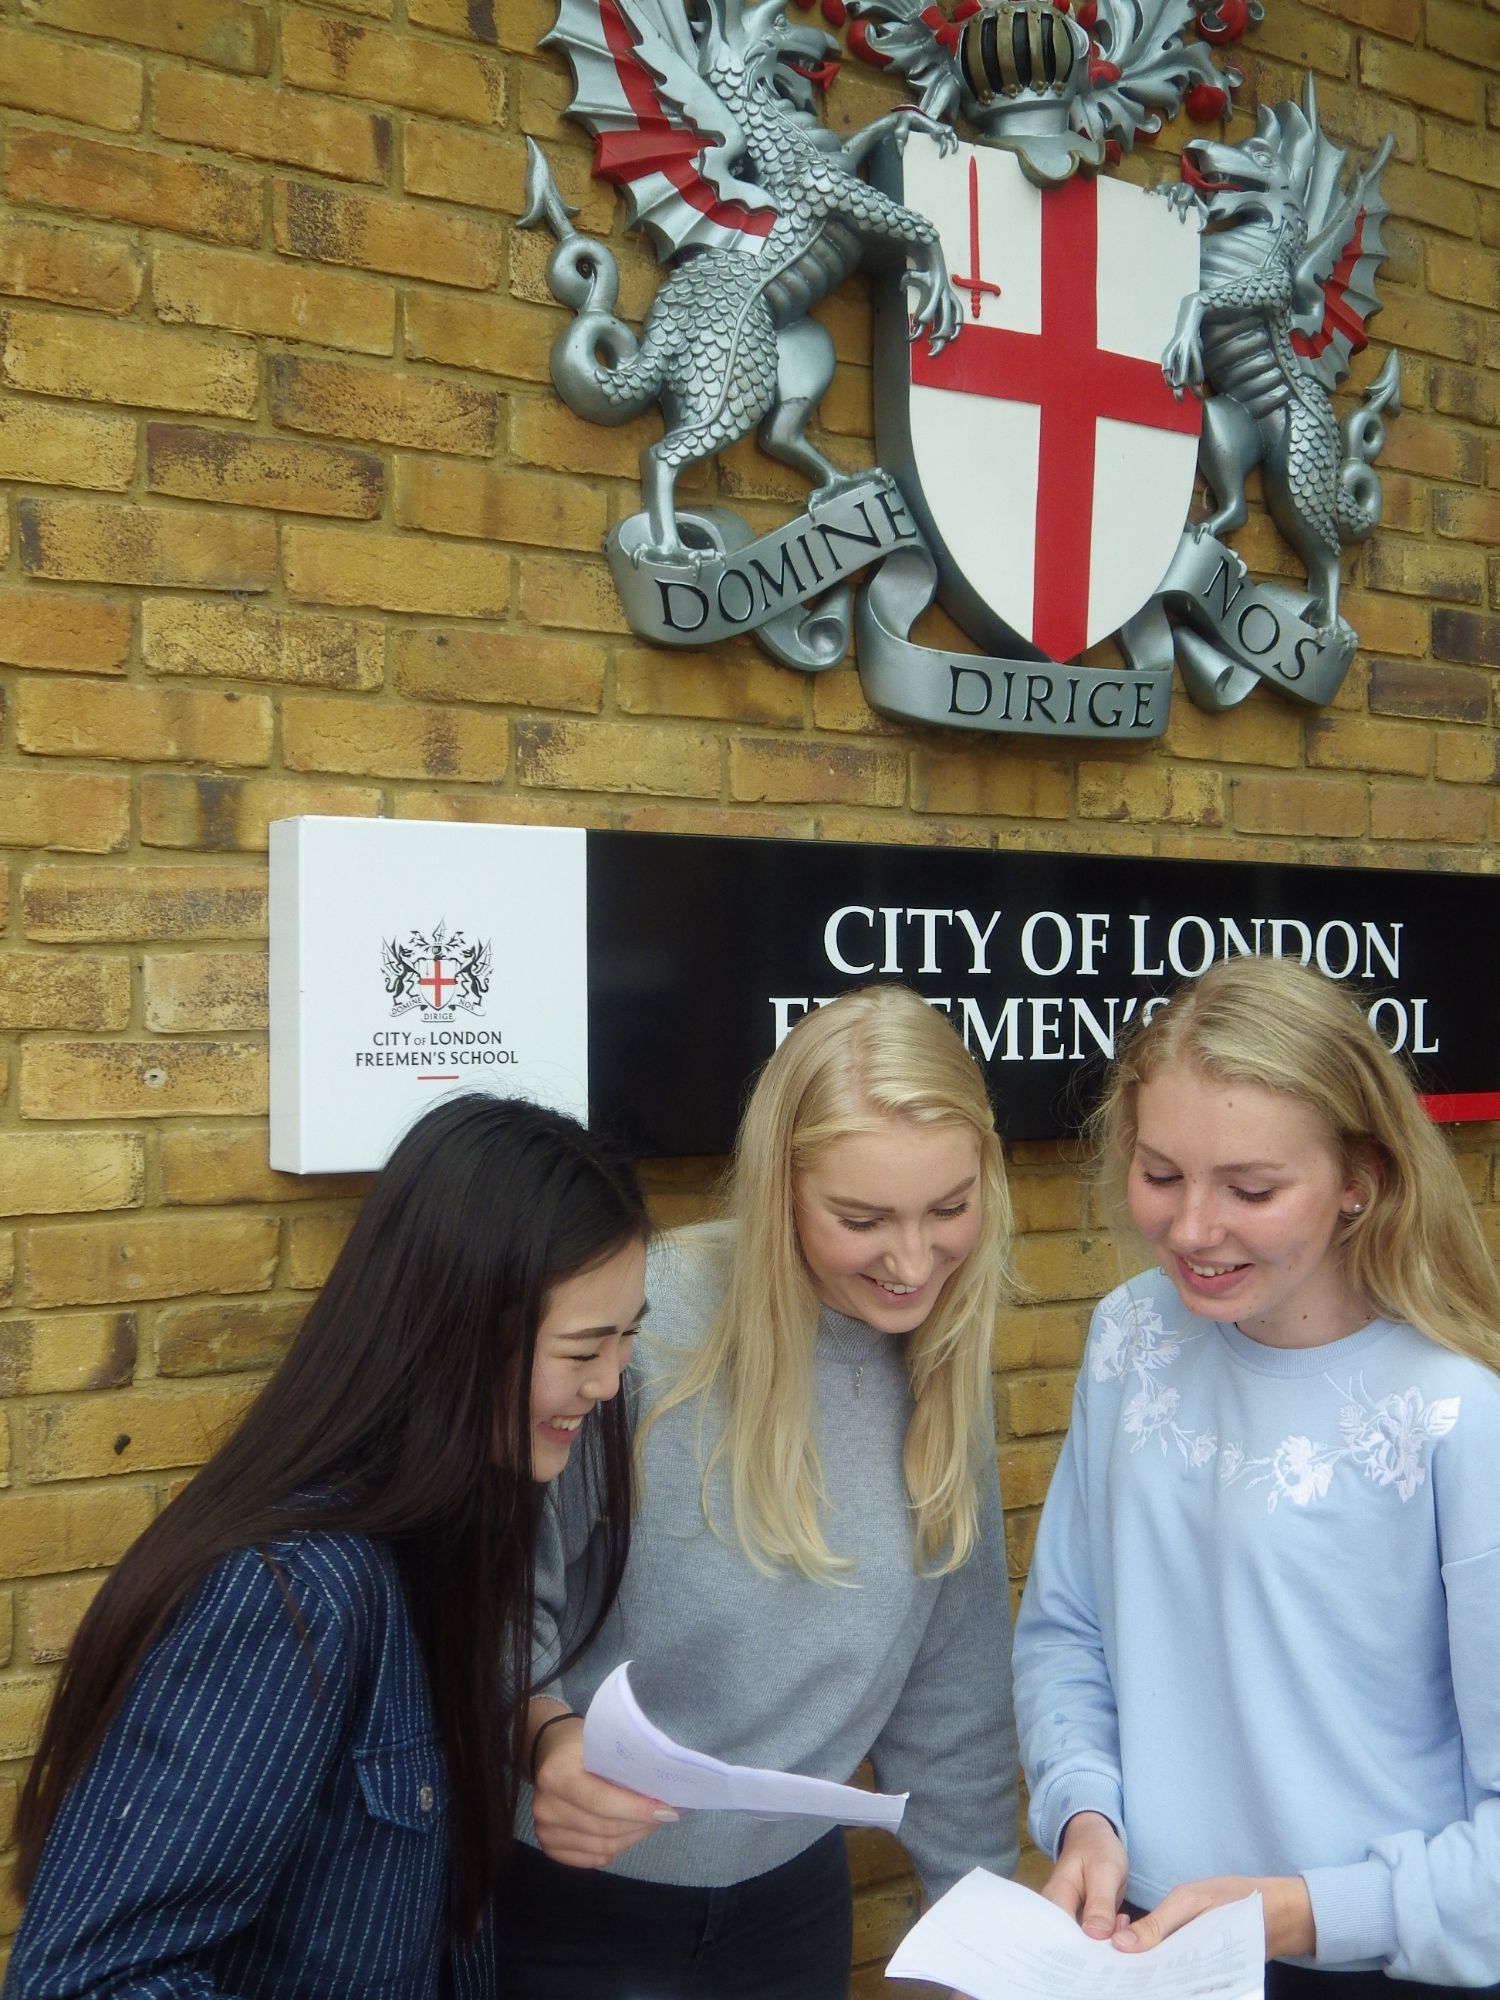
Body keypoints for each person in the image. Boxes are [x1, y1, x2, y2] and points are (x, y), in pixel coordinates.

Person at [4, 1093, 650, 2000]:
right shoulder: (292, 1595)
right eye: (584, 1348)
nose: (611, 1383)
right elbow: (91, 1980)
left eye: (630, 1336)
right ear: (460, 1329)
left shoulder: (457, 1536)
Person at [500, 982, 1020, 1999]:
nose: (913, 1261)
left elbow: (954, 1693)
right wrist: (537, 1741)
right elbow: (501, 1600)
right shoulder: (642, 1324)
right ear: (779, 1186)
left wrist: (975, 1933)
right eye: (861, 1217)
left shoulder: (947, 1359)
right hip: (578, 1899)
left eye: (949, 1209)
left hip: (792, 1901)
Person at [1013, 954, 1500, 1996]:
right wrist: (1082, 1806)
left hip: (1380, 1963)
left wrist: (1300, 1910)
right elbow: (1069, 1629)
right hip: (1141, 1947)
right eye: (1160, 1173)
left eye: (1252, 1187)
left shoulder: (1459, 1412)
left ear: (1360, 1179)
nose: (1191, 1228)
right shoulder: (1128, 1334)